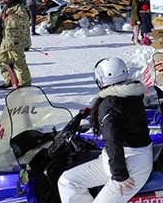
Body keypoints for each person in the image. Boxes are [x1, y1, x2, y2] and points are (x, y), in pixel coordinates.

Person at [58, 58, 153, 202]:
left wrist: (120, 175)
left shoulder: (109, 104)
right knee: (68, 181)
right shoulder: (130, 94)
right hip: (117, 159)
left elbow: (112, 139)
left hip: (130, 165)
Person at [0, 0, 32, 89]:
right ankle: (9, 79)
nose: (4, 0)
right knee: (1, 60)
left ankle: (25, 82)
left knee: (18, 61)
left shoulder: (18, 7)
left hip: (16, 39)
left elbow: (24, 20)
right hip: (5, 38)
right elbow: (1, 23)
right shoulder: (5, 8)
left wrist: (11, 16)